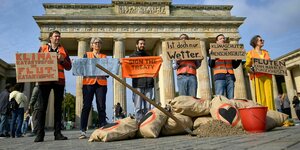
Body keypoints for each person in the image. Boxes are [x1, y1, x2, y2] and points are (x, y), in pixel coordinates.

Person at [35, 30, 72, 142]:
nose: (57, 38)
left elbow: (69, 66)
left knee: (58, 108)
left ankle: (58, 133)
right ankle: (40, 134)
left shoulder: (63, 50)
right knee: (42, 107)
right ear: (50, 38)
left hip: (59, 81)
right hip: (45, 80)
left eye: (59, 37)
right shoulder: (43, 48)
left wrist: (62, 60)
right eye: (55, 36)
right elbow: (35, 62)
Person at [79, 37, 108, 139]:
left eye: (99, 43)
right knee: (86, 106)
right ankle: (83, 130)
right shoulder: (87, 55)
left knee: (101, 106)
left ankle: (102, 128)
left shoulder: (104, 57)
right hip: (88, 83)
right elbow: (82, 68)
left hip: (101, 83)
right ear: (91, 45)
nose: (97, 44)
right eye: (95, 43)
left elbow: (108, 72)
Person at [245, 35, 275, 110]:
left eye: (262, 40)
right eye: (260, 40)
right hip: (257, 76)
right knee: (261, 96)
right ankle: (263, 113)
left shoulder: (266, 52)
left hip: (268, 76)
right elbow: (247, 66)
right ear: (255, 42)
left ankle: (272, 112)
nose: (262, 41)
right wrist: (251, 70)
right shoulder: (250, 53)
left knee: (269, 96)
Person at [208, 34, 242, 99]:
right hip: (219, 77)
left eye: (223, 38)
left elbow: (234, 65)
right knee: (220, 98)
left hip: (230, 77)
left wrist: (240, 58)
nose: (223, 40)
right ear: (217, 42)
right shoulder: (213, 51)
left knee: (231, 98)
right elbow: (211, 65)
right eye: (220, 39)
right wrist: (212, 56)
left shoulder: (229, 52)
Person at [130, 38, 154, 123]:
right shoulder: (132, 57)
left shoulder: (149, 56)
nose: (142, 45)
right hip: (138, 84)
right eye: (140, 44)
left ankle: (148, 123)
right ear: (137, 45)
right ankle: (139, 123)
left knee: (148, 107)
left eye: (143, 44)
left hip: (149, 84)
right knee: (138, 107)